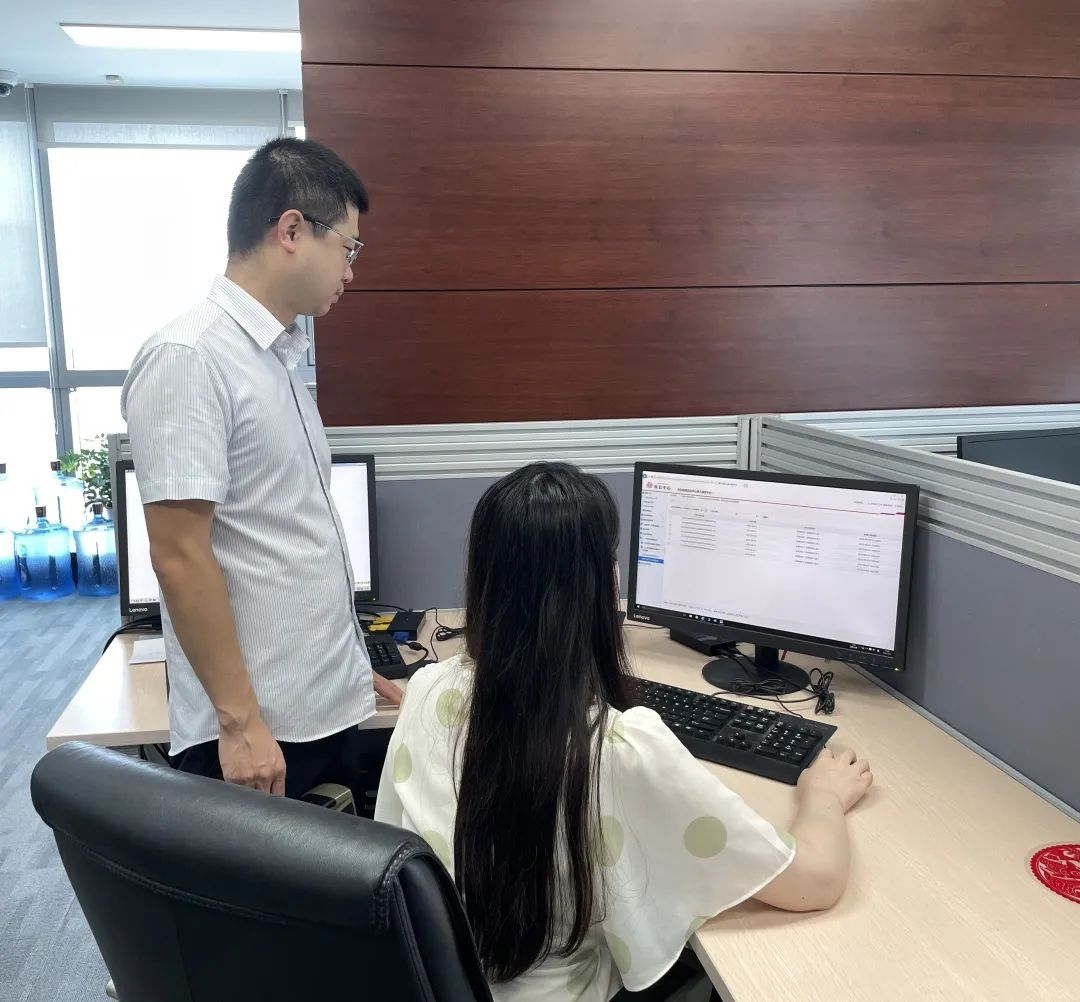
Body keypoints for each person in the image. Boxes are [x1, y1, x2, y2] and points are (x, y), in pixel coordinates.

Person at [375, 462, 873, 1002]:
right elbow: (816, 882)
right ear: (598, 586)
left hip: (438, 981)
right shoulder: (616, 749)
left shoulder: (426, 688)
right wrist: (822, 798)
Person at [122, 138, 401, 802]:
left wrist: (343, 668)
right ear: (292, 231)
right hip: (261, 736)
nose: (351, 270)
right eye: (349, 247)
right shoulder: (190, 357)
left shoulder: (276, 360)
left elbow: (283, 536)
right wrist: (239, 722)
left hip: (315, 708)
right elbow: (179, 555)